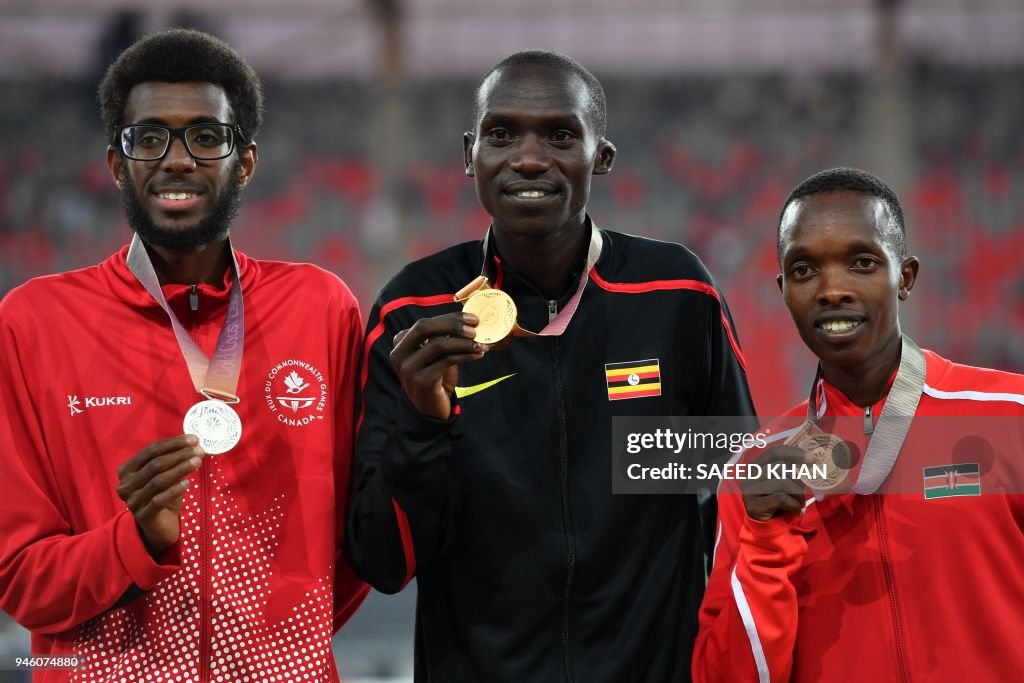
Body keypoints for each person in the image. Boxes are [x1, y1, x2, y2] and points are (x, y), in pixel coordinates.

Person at [346, 50, 755, 681]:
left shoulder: (676, 294)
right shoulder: (412, 309)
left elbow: (741, 487)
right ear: (469, 155)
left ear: (603, 156)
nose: (529, 158)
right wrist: (424, 424)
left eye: (560, 135)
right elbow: (382, 563)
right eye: (501, 134)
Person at [0, 29, 367, 682]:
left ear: (245, 161)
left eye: (206, 136)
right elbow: (17, 577)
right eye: (149, 138)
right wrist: (134, 542)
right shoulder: (33, 323)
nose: (177, 159)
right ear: (117, 162)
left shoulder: (321, 307)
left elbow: (354, 547)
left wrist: (271, 647)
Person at [693, 167, 1024, 681]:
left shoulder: (1008, 416)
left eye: (862, 263)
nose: (832, 290)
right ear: (783, 290)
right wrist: (762, 541)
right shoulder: (754, 467)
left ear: (906, 277)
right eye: (805, 271)